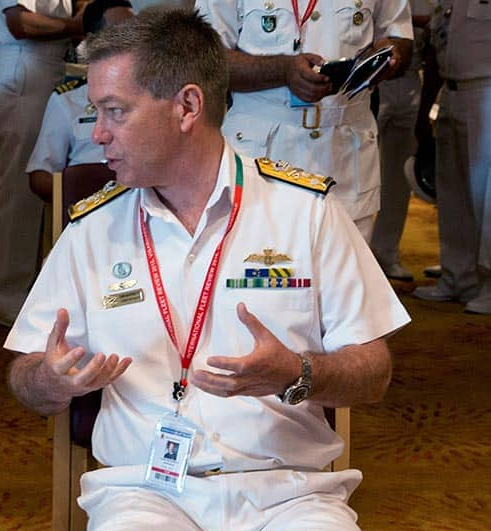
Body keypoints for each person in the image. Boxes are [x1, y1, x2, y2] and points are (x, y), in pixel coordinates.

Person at [5, 9, 411, 531]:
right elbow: (24, 376)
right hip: (147, 498)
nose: (98, 132)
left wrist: (296, 372)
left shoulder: (304, 213)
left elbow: (375, 372)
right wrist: (49, 382)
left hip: (289, 497)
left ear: (186, 106)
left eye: (115, 111)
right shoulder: (91, 230)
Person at [197, 0, 413, 241]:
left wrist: (389, 54)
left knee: (346, 274)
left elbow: (400, 37)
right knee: (260, 269)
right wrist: (282, 71)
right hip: (261, 161)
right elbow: (204, 59)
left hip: (345, 161)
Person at [0, 0, 83, 326]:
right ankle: (7, 299)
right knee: (19, 186)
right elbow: (22, 23)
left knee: (44, 177)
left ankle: (31, 291)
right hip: (24, 61)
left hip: (53, 60)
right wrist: (78, 24)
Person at [411, 0, 491, 314]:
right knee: (453, 190)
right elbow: (436, 47)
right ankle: (458, 276)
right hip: (451, 90)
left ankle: (489, 283)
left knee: (486, 195)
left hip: (486, 91)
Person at [26, 0, 133, 202]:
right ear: (92, 43)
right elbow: (40, 175)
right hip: (89, 210)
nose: (134, 43)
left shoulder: (157, 96)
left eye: (137, 34)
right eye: (121, 35)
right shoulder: (67, 101)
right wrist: (86, 202)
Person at [370, 0, 434, 282]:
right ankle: (360, 253)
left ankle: (386, 252)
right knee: (361, 172)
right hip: (371, 83)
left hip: (409, 80)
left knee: (397, 176)